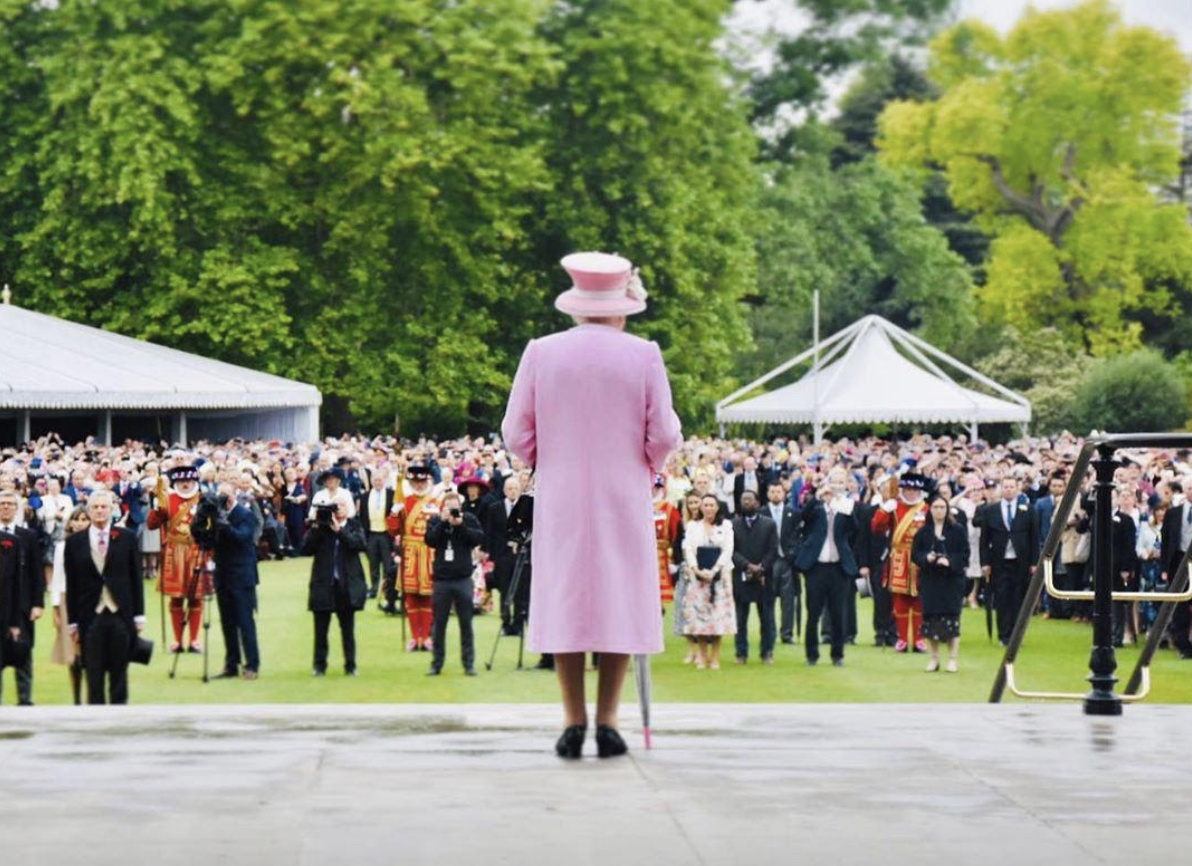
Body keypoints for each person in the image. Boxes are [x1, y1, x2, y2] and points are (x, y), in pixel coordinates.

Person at [501, 251, 683, 759]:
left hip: (561, 494)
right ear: (621, 308)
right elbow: (665, 433)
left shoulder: (541, 352)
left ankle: (572, 720)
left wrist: (546, 456)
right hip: (622, 492)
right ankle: (607, 721)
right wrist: (648, 464)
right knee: (619, 600)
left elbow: (515, 433)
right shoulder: (643, 354)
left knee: (567, 601)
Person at [64, 490, 145, 704]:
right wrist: (72, 621)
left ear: (111, 510)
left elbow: (136, 578)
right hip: (90, 615)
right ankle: (95, 716)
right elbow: (72, 584)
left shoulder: (127, 538)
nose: (99, 511)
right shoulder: (75, 542)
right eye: (95, 507)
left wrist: (139, 615)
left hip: (120, 613)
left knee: (120, 671)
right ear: (89, 510)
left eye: (104, 507)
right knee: (93, 672)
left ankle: (119, 715)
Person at [794, 474, 859, 667]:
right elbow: (802, 516)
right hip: (816, 568)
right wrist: (817, 496)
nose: (832, 493)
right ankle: (811, 655)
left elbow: (855, 529)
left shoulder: (844, 509)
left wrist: (845, 509)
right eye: (830, 490)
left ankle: (837, 655)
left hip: (838, 568)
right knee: (813, 613)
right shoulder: (816, 509)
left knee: (838, 614)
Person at [303, 498, 367, 676]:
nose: (338, 510)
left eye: (341, 506)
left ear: (348, 509)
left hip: (346, 585)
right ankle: (319, 665)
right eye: (335, 507)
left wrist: (340, 531)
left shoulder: (353, 525)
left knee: (348, 630)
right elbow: (305, 549)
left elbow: (359, 544)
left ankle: (350, 665)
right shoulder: (321, 528)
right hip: (324, 584)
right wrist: (316, 526)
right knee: (320, 630)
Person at [425, 491, 485, 676]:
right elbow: (430, 540)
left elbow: (477, 538)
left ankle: (468, 664)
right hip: (442, 580)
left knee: (466, 623)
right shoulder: (435, 521)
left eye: (455, 507)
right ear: (443, 508)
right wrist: (443, 523)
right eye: (448, 507)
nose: (452, 511)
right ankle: (436, 664)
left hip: (462, 578)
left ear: (460, 507)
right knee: (439, 624)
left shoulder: (468, 519)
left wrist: (461, 526)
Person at [147, 465, 204, 654]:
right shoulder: (168, 500)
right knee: (176, 599)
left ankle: (194, 640)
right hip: (174, 552)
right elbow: (152, 525)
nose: (185, 484)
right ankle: (178, 641)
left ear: (194, 482)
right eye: (181, 481)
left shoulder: (203, 500)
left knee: (196, 598)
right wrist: (156, 508)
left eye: (188, 481)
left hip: (196, 552)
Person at [872, 473, 931, 652]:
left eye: (914, 490)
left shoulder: (926, 508)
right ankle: (903, 638)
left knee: (920, 599)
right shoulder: (895, 506)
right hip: (899, 558)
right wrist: (884, 510)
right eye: (907, 490)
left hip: (921, 558)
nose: (911, 493)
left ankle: (919, 639)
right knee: (900, 599)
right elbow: (876, 528)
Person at [912, 495, 970, 672]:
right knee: (930, 620)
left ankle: (952, 659)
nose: (939, 511)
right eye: (935, 507)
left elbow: (965, 554)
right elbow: (915, 554)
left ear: (947, 509)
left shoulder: (957, 530)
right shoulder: (923, 531)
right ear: (930, 510)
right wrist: (927, 558)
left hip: (951, 581)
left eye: (942, 507)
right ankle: (934, 659)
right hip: (930, 581)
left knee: (952, 619)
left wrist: (949, 561)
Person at [387, 464, 440, 651]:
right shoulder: (405, 502)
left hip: (429, 554)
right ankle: (414, 637)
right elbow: (393, 530)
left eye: (422, 482)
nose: (419, 485)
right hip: (410, 554)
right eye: (415, 482)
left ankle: (425, 637)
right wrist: (394, 513)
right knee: (411, 597)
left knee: (427, 597)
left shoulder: (435, 503)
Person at [980, 477, 1037, 646]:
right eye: (1005, 487)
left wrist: (1034, 563)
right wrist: (985, 563)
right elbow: (984, 540)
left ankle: (1017, 634)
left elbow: (1034, 538)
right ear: (1001, 489)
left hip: (1021, 562)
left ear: (1017, 489)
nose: (1009, 490)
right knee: (1002, 598)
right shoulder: (991, 510)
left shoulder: (1028, 510)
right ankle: (1004, 635)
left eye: (1012, 487)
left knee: (1019, 599)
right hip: (999, 562)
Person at [682, 494, 736, 670]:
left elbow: (728, 550)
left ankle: (715, 658)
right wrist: (695, 569)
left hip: (719, 578)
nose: (709, 508)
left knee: (718, 618)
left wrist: (714, 570)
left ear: (717, 507)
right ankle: (702, 656)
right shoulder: (693, 526)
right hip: (698, 578)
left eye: (712, 505)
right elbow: (688, 549)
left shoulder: (726, 525)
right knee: (700, 619)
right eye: (705, 505)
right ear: (701, 507)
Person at [213, 484, 262, 680]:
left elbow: (242, 538)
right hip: (222, 575)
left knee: (245, 621)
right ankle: (231, 664)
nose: (223, 499)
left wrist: (224, 525)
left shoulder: (245, 514)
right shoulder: (216, 515)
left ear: (234, 495)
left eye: (226, 495)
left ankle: (252, 665)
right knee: (227, 623)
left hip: (242, 576)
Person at [0, 489, 42, 705]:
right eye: (2, 503)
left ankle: (25, 702)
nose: (6, 507)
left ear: (17, 508)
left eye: (10, 503)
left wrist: (37, 603)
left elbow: (36, 572)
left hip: (22, 606)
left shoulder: (28, 536)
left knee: (22, 654)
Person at [731, 489, 778, 664]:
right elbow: (731, 550)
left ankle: (767, 652)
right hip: (741, 576)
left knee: (767, 618)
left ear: (757, 503)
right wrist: (747, 565)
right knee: (740, 619)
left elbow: (773, 550)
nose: (746, 502)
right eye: (743, 499)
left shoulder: (769, 524)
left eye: (750, 499)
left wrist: (761, 567)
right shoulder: (733, 524)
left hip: (764, 577)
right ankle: (741, 653)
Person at [49, 506, 90, 703]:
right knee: (72, 652)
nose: (80, 523)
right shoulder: (62, 547)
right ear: (71, 523)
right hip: (68, 599)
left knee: (90, 650)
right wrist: (56, 606)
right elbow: (57, 577)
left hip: (90, 598)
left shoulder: (96, 543)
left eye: (84, 519)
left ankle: (92, 695)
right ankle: (76, 698)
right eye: (77, 519)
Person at [482, 475, 523, 636]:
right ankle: (506, 624)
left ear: (520, 490)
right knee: (504, 590)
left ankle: (518, 626)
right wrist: (491, 555)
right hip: (502, 555)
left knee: (520, 592)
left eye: (516, 489)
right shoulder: (495, 508)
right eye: (510, 489)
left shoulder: (526, 508)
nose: (513, 491)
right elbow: (489, 532)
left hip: (520, 556)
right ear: (505, 490)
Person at [763, 481, 800, 647]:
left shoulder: (792, 513)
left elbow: (798, 535)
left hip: (786, 560)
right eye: (773, 491)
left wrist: (793, 553)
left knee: (788, 599)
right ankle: (769, 632)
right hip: (768, 561)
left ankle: (787, 633)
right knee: (767, 599)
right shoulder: (762, 513)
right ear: (768, 494)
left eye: (778, 491)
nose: (776, 494)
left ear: (783, 493)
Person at [673, 491, 702, 663]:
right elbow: (677, 546)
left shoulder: (706, 523)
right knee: (685, 612)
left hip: (702, 571)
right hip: (685, 572)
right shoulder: (682, 524)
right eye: (690, 503)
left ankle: (701, 651)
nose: (694, 506)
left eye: (696, 502)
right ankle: (691, 650)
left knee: (700, 612)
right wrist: (681, 564)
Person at [359, 468, 395, 602]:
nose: (378, 482)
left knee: (387, 564)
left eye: (380, 480)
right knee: (373, 563)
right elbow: (362, 516)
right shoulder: (365, 496)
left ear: (384, 480)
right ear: (371, 481)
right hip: (372, 534)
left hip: (386, 534)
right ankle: (374, 588)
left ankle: (387, 590)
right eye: (375, 480)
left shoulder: (392, 495)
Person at [652, 474, 682, 608]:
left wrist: (673, 557)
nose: (654, 490)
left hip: (663, 555)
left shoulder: (669, 509)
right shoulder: (639, 506)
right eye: (652, 487)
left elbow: (676, 535)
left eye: (657, 487)